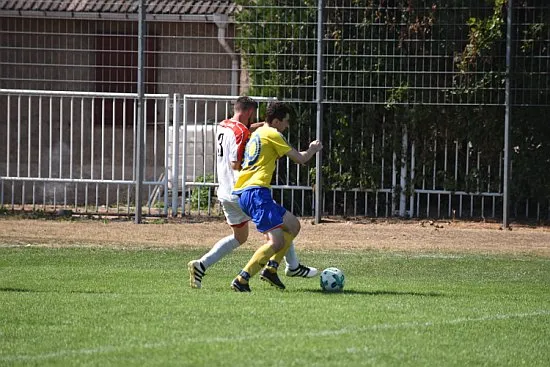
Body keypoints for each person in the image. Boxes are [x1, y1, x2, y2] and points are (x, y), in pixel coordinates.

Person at [187, 97, 318, 289]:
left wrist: (264, 124)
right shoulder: (243, 134)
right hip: (243, 190)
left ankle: (201, 265)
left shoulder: (224, 125)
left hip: (225, 191)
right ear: (249, 112)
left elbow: (250, 129)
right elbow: (235, 163)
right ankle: (275, 270)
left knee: (241, 237)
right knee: (276, 236)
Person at [230, 101, 323, 292]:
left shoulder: (259, 133)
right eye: (285, 121)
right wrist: (313, 149)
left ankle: (271, 269)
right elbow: (300, 158)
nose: (287, 125)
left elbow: (256, 127)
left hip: (249, 191)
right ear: (276, 121)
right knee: (276, 241)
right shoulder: (273, 134)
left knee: (293, 225)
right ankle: (242, 279)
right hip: (256, 192)